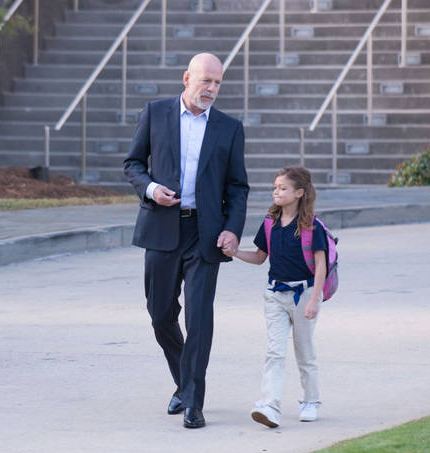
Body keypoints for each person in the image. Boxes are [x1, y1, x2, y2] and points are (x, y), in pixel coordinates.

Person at [124, 52, 249, 429]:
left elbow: (238, 187)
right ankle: (183, 381)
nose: (211, 89)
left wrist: (232, 229)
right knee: (160, 313)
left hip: (205, 235)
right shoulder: (156, 112)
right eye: (206, 81)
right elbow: (133, 164)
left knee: (199, 317)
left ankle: (193, 402)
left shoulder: (229, 128)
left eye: (217, 83)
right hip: (161, 227)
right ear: (186, 78)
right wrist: (150, 188)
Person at [224, 166, 325, 428]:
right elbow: (259, 257)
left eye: (283, 188)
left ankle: (310, 401)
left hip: (303, 295)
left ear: (299, 193)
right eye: (275, 187)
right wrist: (235, 252)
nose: (276, 192)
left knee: (305, 352)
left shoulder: (312, 226)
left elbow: (321, 265)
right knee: (274, 352)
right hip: (274, 294)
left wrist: (315, 299)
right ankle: (270, 406)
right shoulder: (270, 222)